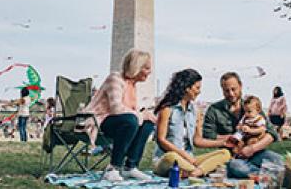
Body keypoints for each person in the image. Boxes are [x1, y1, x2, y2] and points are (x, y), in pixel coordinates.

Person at [83, 49, 156, 182]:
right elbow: (116, 108)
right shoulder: (115, 78)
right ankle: (113, 168)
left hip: (118, 121)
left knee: (147, 123)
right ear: (136, 67)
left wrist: (146, 115)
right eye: (146, 68)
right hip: (99, 120)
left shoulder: (132, 85)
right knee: (131, 120)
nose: (150, 72)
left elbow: (132, 109)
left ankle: (130, 167)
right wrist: (140, 115)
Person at [153, 69, 232, 178]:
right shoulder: (167, 109)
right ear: (187, 88)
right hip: (167, 160)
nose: (199, 91)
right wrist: (184, 155)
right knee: (171, 157)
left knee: (225, 153)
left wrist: (223, 143)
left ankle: (194, 173)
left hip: (189, 161)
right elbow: (161, 140)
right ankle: (200, 171)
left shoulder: (195, 111)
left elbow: (197, 141)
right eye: (197, 87)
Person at [203, 72, 282, 179]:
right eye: (226, 90)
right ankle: (268, 175)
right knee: (236, 166)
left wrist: (252, 149)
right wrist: (232, 138)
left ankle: (264, 173)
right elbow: (208, 135)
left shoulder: (252, 105)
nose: (231, 93)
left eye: (233, 89)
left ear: (240, 86)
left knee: (278, 160)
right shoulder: (214, 109)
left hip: (256, 152)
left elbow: (271, 133)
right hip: (233, 157)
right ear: (222, 90)